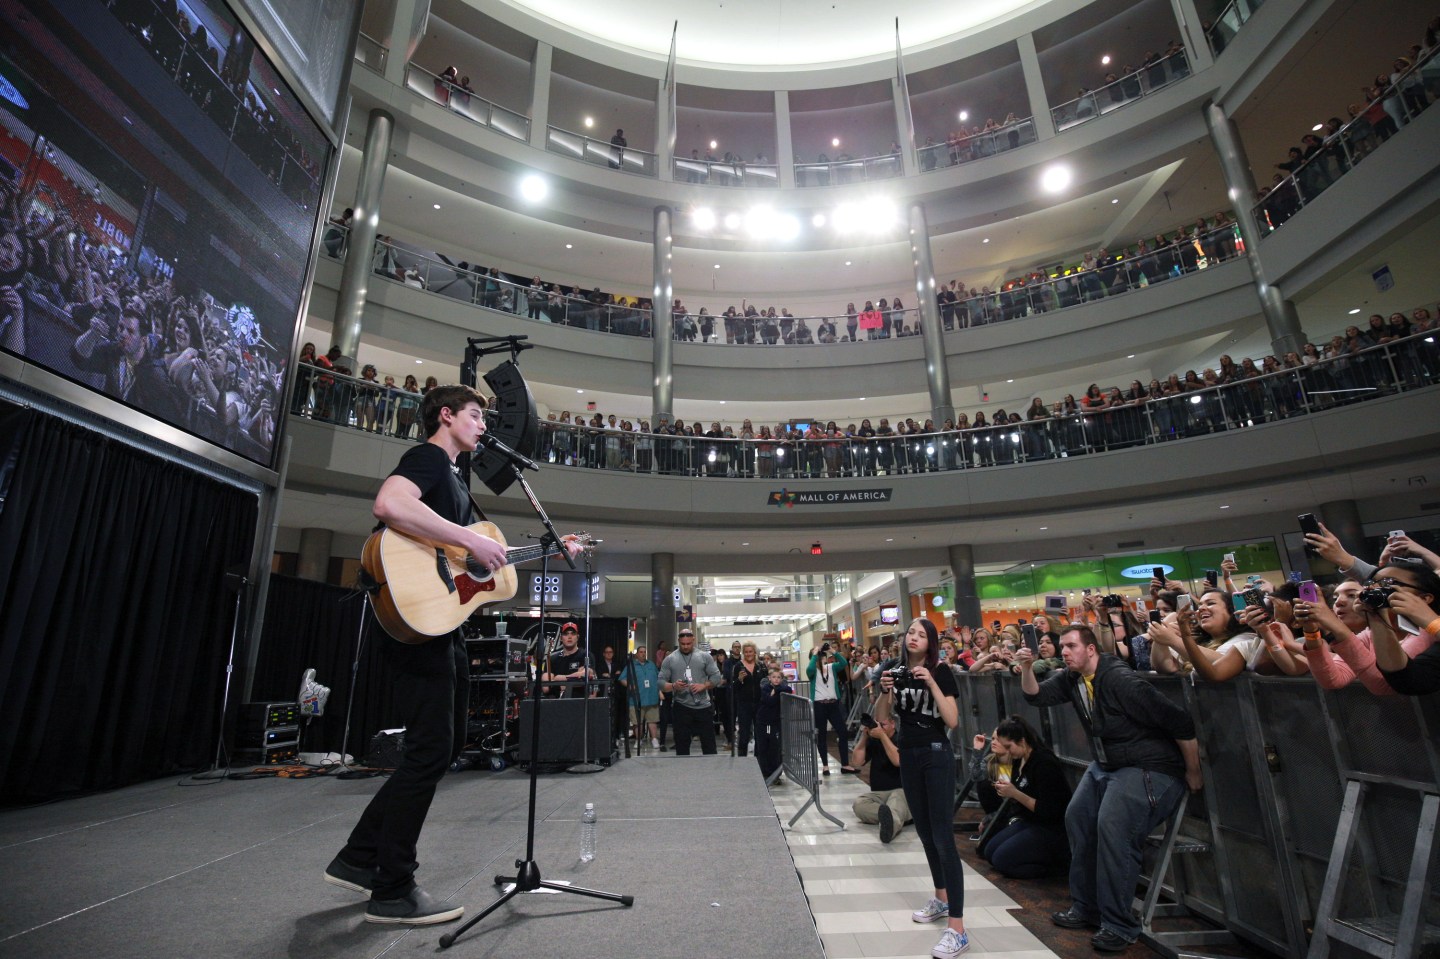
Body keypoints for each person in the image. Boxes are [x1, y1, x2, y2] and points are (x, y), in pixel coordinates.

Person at [324, 384, 581, 925]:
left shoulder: (456, 483)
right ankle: (392, 890)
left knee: (439, 749)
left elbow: (480, 562)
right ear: (446, 416)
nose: (483, 425)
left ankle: (360, 857)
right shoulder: (427, 459)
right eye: (474, 414)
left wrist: (553, 549)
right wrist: (470, 542)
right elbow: (390, 505)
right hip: (418, 622)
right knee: (429, 750)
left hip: (444, 624)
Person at [1019, 625, 1201, 953]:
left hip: (1150, 765)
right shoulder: (1072, 678)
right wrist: (1027, 667)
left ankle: (1118, 924)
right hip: (1109, 764)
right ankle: (1086, 906)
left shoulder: (1120, 680)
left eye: (1071, 646)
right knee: (1078, 817)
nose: (1065, 652)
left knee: (1113, 828)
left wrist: (1193, 770)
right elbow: (1036, 697)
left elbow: (1180, 722)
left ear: (1091, 649)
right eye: (1063, 646)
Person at [879, 618, 968, 959]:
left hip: (935, 754)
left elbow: (952, 720)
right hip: (909, 754)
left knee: (944, 836)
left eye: (921, 634)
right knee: (927, 834)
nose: (913, 638)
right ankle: (941, 899)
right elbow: (882, 717)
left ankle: (957, 929)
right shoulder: (896, 670)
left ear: (930, 642)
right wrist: (885, 691)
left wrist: (930, 681)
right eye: (910, 633)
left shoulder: (940, 671)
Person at [975, 716, 1072, 879]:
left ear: (1022, 741)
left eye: (1009, 746)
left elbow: (1049, 810)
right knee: (989, 851)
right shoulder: (1018, 760)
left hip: (1049, 827)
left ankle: (1055, 869)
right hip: (1028, 820)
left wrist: (1014, 793)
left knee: (1002, 860)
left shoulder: (1044, 764)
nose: (1007, 750)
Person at [849, 708, 910, 844]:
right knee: (859, 804)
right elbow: (857, 762)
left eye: (883, 725)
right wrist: (865, 736)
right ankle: (890, 817)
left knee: (896, 800)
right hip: (879, 795)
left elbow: (898, 760)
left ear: (893, 724)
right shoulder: (874, 741)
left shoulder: (902, 738)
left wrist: (882, 736)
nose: (879, 728)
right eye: (877, 725)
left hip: (902, 791)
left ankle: (890, 827)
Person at [658, 628, 723, 754]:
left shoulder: (704, 657)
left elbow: (716, 677)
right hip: (681, 707)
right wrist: (673, 686)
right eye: (683, 644)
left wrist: (704, 686)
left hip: (703, 706)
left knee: (709, 746)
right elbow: (660, 682)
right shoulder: (670, 659)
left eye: (688, 644)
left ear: (693, 640)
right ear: (678, 641)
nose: (686, 646)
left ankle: (711, 772)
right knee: (682, 747)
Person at [807, 640, 853, 775]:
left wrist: (832, 651)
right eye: (817, 655)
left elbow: (844, 663)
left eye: (821, 654)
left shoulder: (832, 667)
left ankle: (845, 764)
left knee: (842, 731)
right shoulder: (813, 671)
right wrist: (815, 654)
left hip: (833, 704)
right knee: (821, 735)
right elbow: (809, 669)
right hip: (819, 705)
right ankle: (825, 766)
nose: (820, 656)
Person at [618, 645, 661, 747]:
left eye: (645, 652)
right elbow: (622, 679)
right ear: (637, 654)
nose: (643, 654)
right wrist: (630, 686)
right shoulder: (631, 665)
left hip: (651, 697)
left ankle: (654, 739)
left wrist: (660, 691)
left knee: (652, 720)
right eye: (641, 652)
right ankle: (638, 739)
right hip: (636, 698)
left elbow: (659, 678)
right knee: (637, 722)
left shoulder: (651, 664)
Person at [755, 664, 791, 780]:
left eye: (779, 677)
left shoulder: (779, 689)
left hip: (775, 722)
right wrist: (775, 695)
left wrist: (776, 691)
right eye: (774, 677)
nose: (776, 679)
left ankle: (774, 772)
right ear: (769, 678)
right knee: (764, 746)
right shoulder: (765, 688)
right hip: (764, 721)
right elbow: (769, 701)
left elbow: (788, 690)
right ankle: (765, 771)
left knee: (774, 747)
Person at [542, 622, 594, 697]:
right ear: (561, 638)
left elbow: (583, 676)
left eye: (573, 634)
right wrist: (572, 680)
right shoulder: (552, 658)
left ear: (577, 637)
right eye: (566, 634)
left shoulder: (585, 655)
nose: (569, 637)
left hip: (579, 702)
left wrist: (557, 678)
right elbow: (546, 687)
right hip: (555, 704)